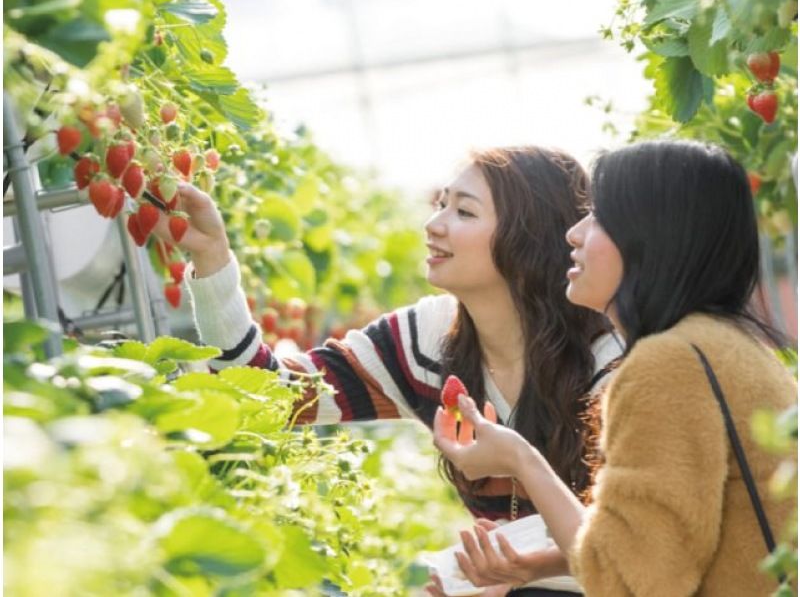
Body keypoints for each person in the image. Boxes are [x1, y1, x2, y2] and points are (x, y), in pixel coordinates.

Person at [154, 146, 622, 594]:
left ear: (526, 238)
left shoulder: (611, 359)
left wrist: (522, 571)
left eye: (463, 212)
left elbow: (635, 546)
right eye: (440, 204)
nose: (433, 225)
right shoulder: (426, 341)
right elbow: (268, 395)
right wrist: (212, 256)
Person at [433, 140, 797, 596]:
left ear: (653, 237)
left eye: (600, 217)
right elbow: (670, 550)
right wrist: (533, 567)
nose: (575, 233)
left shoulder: (669, 364)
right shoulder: (724, 345)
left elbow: (629, 584)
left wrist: (519, 459)